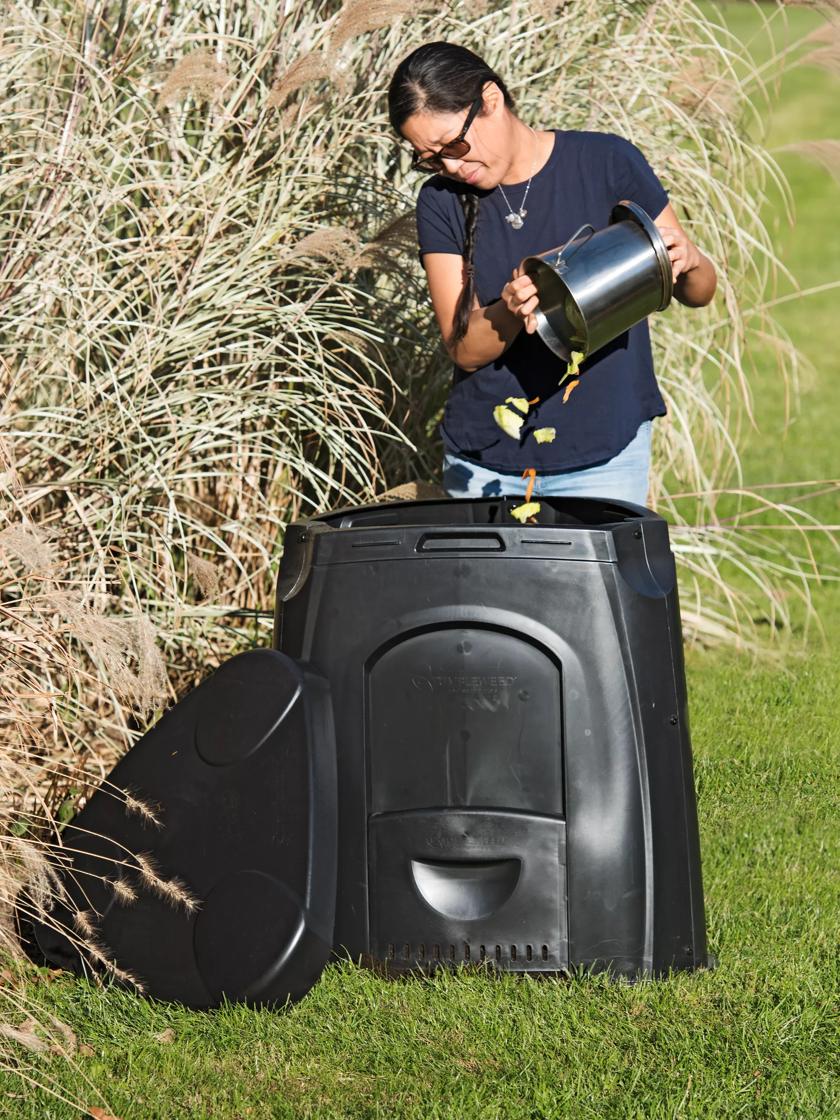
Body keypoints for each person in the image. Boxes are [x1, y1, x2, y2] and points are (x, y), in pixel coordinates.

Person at [387, 42, 717, 506]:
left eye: (454, 145)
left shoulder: (607, 163)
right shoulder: (440, 201)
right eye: (431, 158)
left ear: (492, 100)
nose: (452, 167)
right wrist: (510, 311)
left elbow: (698, 292)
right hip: (485, 462)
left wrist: (693, 260)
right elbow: (463, 348)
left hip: (604, 455)